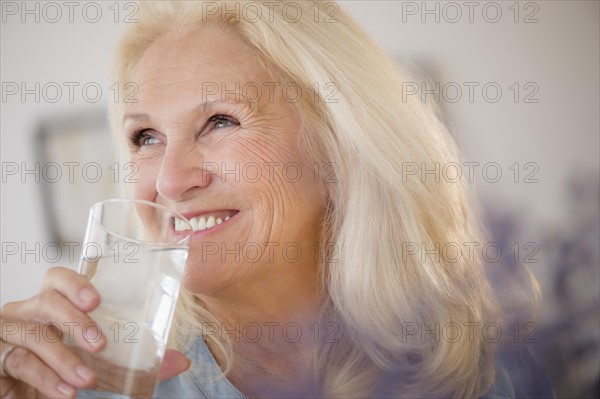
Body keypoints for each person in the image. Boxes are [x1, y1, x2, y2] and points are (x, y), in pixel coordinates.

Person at [0, 1, 552, 398]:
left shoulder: (496, 369)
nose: (169, 182)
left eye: (219, 121)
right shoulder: (95, 380)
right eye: (145, 137)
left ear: (342, 149)